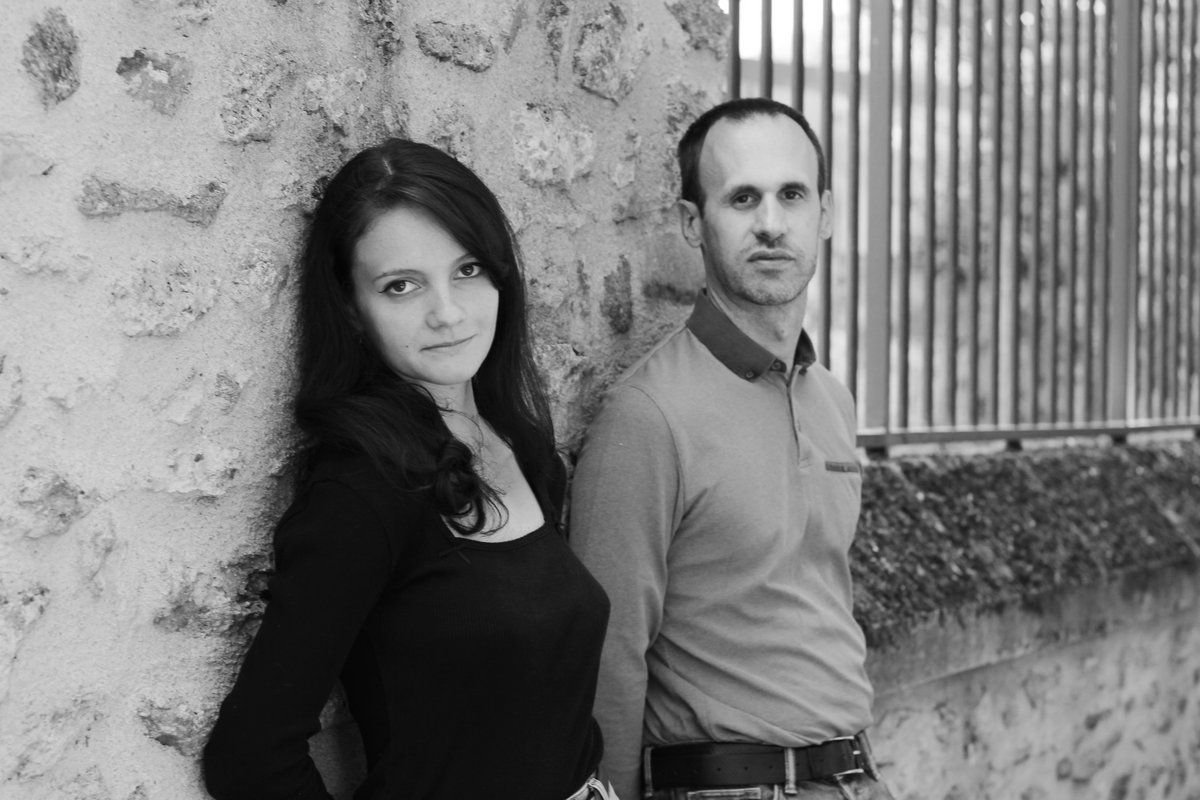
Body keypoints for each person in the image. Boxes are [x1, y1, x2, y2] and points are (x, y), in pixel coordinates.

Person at [203, 139, 615, 800]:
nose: (447, 313)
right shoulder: (362, 492)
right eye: (402, 285)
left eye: (467, 270)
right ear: (350, 306)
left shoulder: (520, 447)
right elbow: (249, 756)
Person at [569, 98, 892, 800]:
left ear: (825, 214)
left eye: (792, 195)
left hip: (852, 776)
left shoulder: (832, 402)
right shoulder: (648, 415)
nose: (771, 223)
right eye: (743, 198)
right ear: (694, 222)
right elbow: (606, 656)